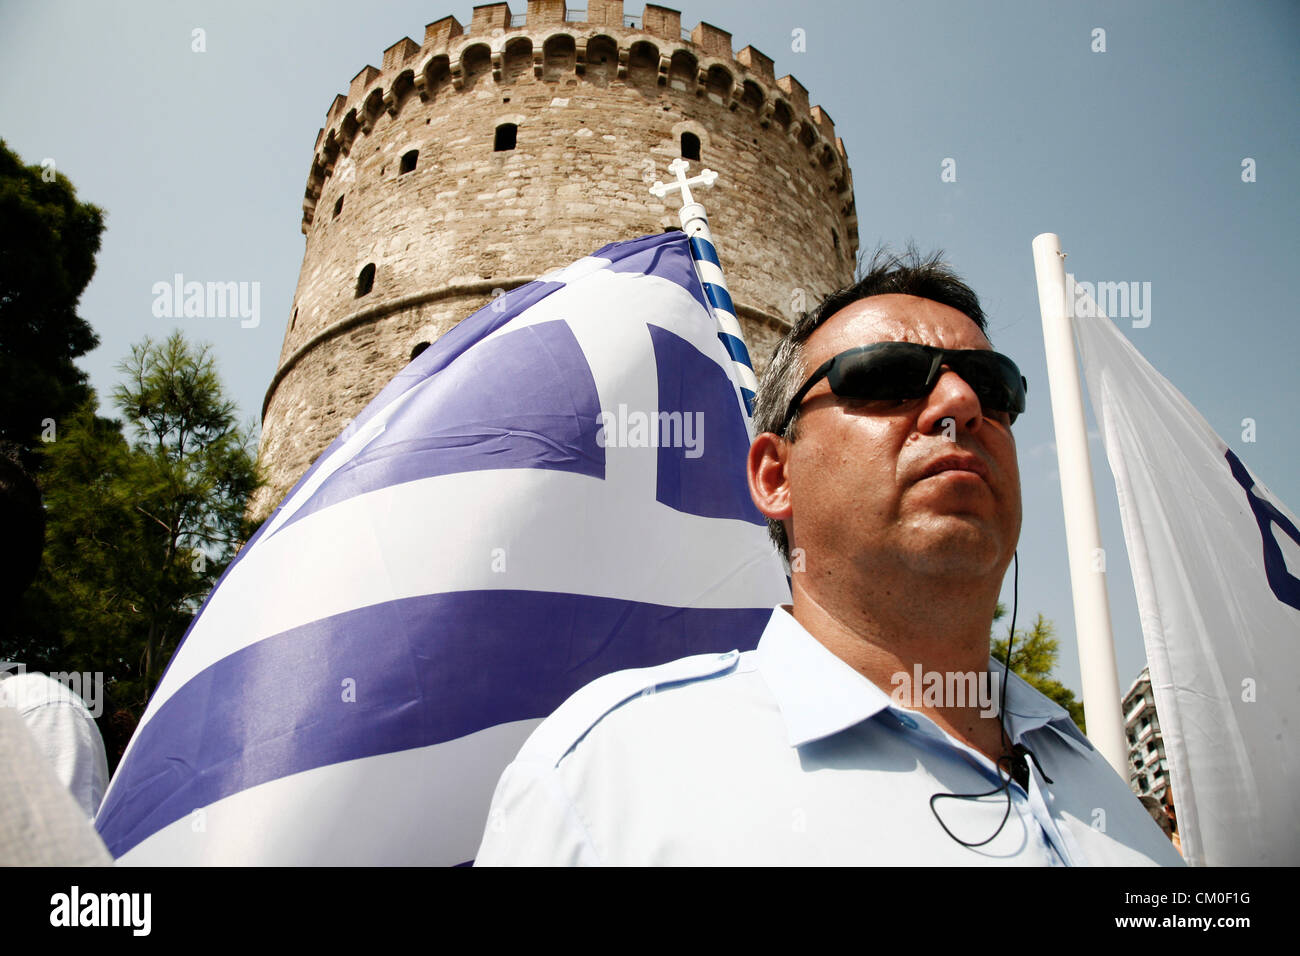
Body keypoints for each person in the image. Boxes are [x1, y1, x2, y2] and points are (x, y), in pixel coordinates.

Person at [474, 248, 1184, 866]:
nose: (961, 401)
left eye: (993, 386)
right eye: (887, 376)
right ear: (775, 477)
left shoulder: (1111, 799)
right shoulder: (604, 779)